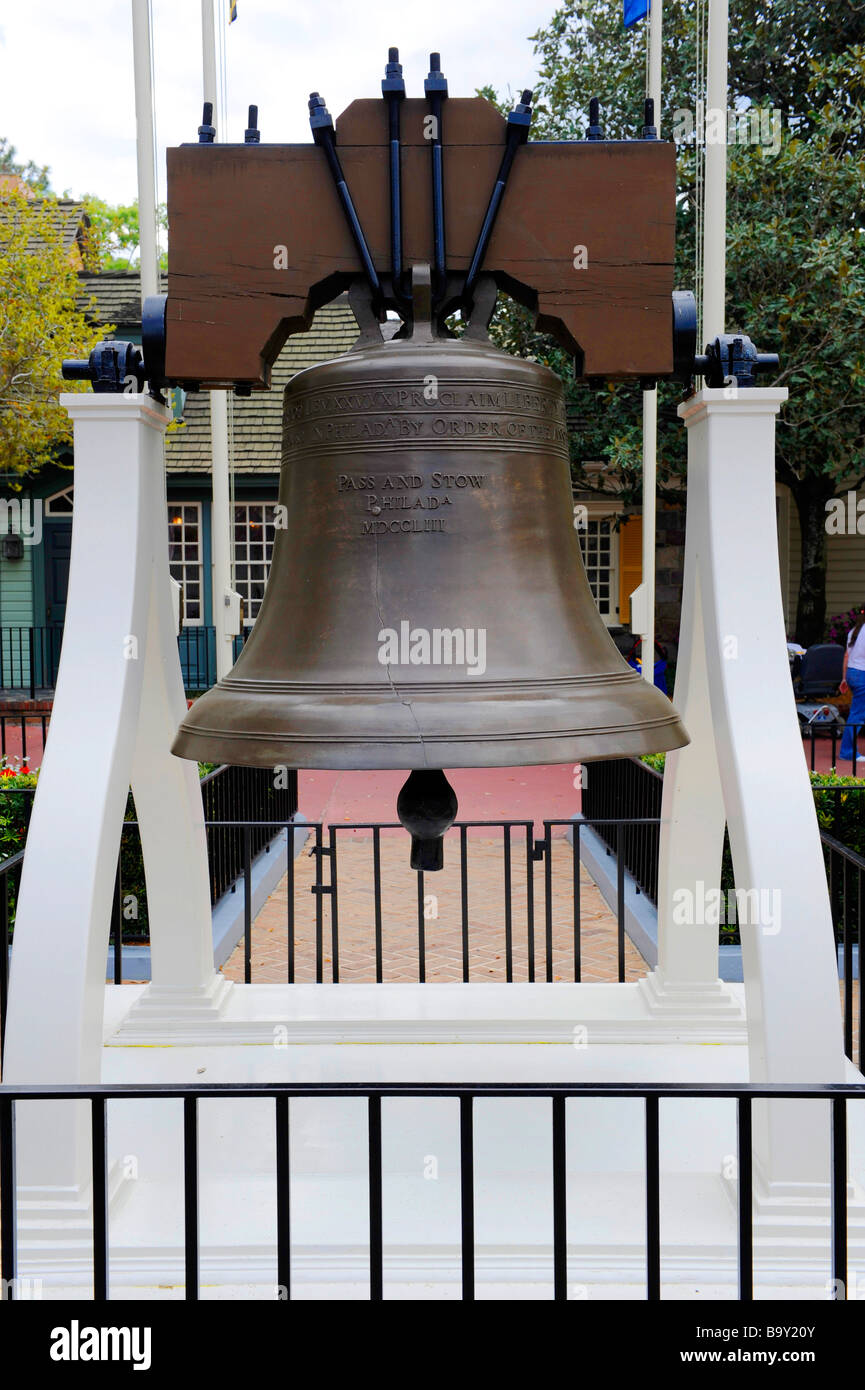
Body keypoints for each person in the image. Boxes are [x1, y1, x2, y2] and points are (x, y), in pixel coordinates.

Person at [840, 607, 865, 763]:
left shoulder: (854, 631)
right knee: (857, 715)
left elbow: (847, 655)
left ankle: (847, 750)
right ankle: (848, 752)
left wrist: (843, 679)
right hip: (862, 674)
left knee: (857, 713)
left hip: (852, 672)